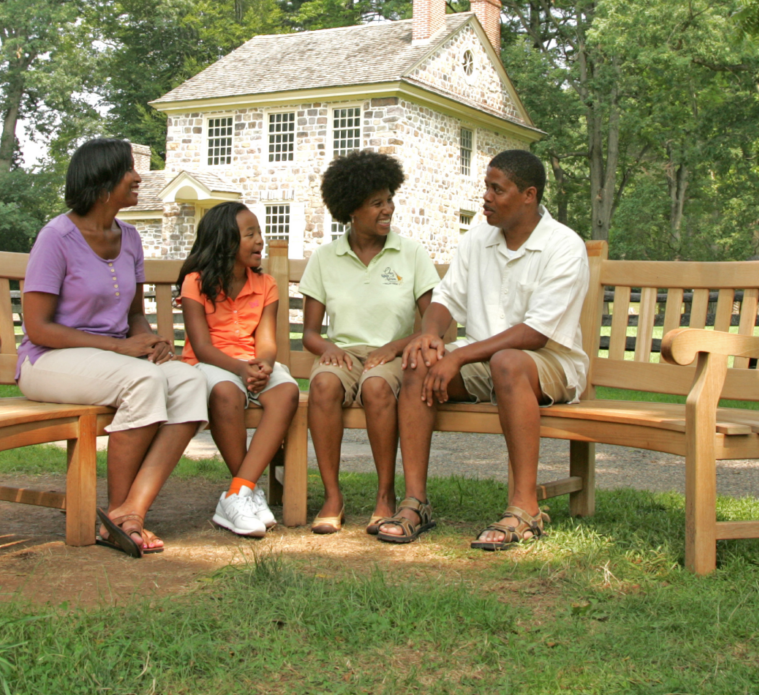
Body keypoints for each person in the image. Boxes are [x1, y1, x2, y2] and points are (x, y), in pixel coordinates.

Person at [377, 149, 590, 549]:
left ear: (528, 195)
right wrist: (431, 336)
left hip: (551, 364)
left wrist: (457, 355)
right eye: (486, 188)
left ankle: (525, 509)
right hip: (484, 357)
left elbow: (535, 335)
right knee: (418, 365)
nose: (486, 198)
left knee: (508, 362)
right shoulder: (478, 238)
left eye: (497, 189)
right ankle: (415, 504)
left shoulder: (563, 246)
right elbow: (446, 299)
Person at [17, 137, 207, 556]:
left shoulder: (130, 237)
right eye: (128, 171)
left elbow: (134, 314)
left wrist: (149, 339)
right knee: (142, 381)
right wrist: (118, 348)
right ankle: (118, 517)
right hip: (49, 360)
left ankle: (130, 513)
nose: (138, 177)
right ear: (103, 182)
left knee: (190, 382)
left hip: (112, 358)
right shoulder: (57, 237)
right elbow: (38, 328)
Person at [300, 149, 440, 534]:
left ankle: (385, 496)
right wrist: (328, 349)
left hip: (395, 353)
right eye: (376, 203)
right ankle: (333, 496)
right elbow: (309, 333)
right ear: (351, 209)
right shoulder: (325, 258)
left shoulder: (410, 253)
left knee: (377, 387)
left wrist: (395, 348)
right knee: (324, 384)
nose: (388, 209)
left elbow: (435, 324)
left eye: (389, 199)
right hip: (341, 354)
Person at [178, 202, 300, 538]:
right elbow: (201, 347)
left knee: (287, 390)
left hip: (250, 362)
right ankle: (247, 492)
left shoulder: (265, 285)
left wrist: (264, 365)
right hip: (211, 364)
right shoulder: (195, 282)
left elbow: (266, 341)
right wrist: (240, 370)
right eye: (250, 234)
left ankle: (236, 493)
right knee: (225, 392)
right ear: (225, 241)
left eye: (259, 232)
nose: (260, 240)